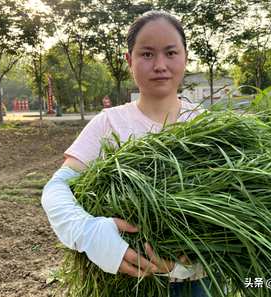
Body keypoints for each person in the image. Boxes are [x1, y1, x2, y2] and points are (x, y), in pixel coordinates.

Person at [41, 10, 211, 297]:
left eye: (171, 53)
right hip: (128, 283)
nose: (160, 65)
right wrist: (89, 232)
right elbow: (57, 188)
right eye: (146, 54)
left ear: (185, 57)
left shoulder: (209, 125)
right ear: (129, 60)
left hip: (198, 282)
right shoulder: (109, 122)